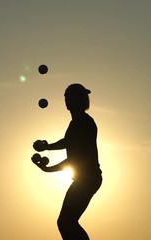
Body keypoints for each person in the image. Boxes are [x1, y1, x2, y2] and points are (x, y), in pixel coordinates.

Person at [32, 83, 102, 240]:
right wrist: (48, 147)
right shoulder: (78, 122)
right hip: (85, 179)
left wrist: (49, 163)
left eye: (69, 96)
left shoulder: (83, 122)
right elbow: (68, 142)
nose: (66, 100)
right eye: (65, 96)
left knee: (66, 221)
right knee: (66, 222)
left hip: (87, 180)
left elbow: (74, 156)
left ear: (78, 99)